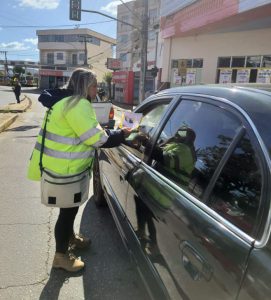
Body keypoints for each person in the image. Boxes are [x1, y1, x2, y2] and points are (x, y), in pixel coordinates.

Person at [27, 68, 131, 272]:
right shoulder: (78, 105)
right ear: (85, 86)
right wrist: (123, 135)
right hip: (66, 170)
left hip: (60, 167)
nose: (96, 89)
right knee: (67, 212)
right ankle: (61, 257)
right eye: (94, 85)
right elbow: (98, 139)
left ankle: (70, 238)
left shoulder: (65, 101)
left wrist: (116, 132)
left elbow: (91, 131)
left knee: (69, 209)